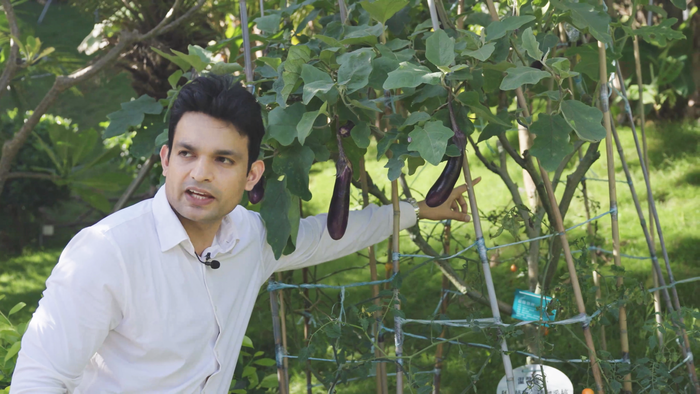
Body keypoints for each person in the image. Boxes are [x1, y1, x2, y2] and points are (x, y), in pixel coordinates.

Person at [10, 74, 479, 393]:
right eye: (187, 154)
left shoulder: (249, 238)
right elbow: (40, 377)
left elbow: (323, 236)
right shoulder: (106, 252)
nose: (200, 174)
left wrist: (417, 210)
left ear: (253, 175)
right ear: (165, 160)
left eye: (223, 160)